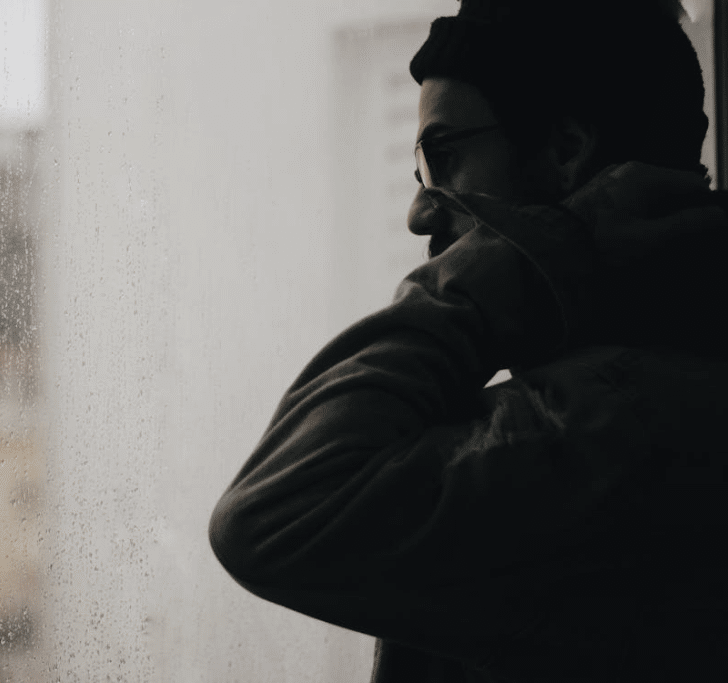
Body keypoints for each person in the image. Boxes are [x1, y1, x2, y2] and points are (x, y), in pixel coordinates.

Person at [209, 1, 728, 681]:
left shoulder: (615, 420)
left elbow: (272, 514)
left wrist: (544, 254)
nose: (420, 209)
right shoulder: (641, 378)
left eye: (446, 156)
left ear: (567, 151)